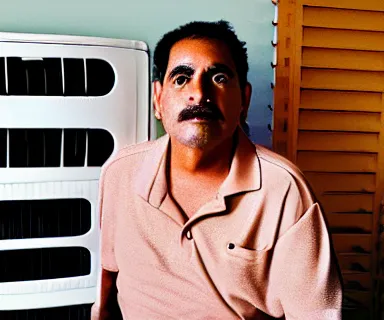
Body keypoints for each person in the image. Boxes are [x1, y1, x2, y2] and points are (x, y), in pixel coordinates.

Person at [91, 20, 342, 320]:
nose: (199, 93)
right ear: (158, 99)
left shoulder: (285, 190)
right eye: (181, 78)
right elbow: (109, 276)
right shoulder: (120, 172)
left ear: (244, 100)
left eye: (219, 77)